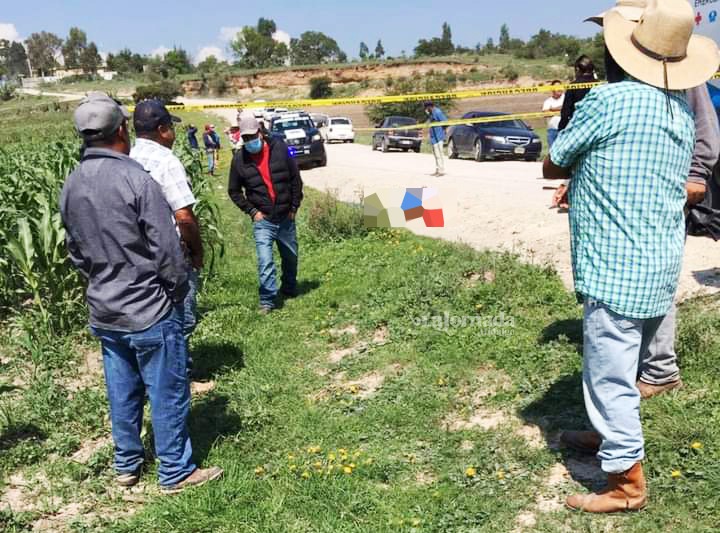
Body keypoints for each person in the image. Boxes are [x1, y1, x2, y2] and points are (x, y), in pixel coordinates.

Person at [543, 0, 718, 513]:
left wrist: (574, 169)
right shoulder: (679, 111)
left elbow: (555, 160)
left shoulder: (608, 102)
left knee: (609, 375)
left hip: (615, 266)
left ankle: (626, 483)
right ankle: (608, 436)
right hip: (658, 264)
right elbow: (635, 175)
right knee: (625, 364)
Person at [59, 92, 222, 494]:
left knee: (122, 390)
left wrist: (99, 282)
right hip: (149, 308)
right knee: (167, 390)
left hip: (105, 309)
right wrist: (175, 290)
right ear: (122, 130)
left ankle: (127, 465)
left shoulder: (72, 183)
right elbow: (166, 248)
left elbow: (75, 249)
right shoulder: (135, 178)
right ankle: (175, 471)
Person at [130, 99, 204, 342]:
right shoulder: (166, 161)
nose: (173, 134)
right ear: (162, 130)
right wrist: (196, 252)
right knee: (182, 319)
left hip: (135, 257)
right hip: (169, 255)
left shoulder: (126, 157)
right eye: (171, 127)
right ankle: (179, 373)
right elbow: (183, 218)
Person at [228, 112, 303, 313]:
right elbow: (234, 191)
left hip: (286, 215)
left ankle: (289, 287)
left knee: (291, 256)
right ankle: (267, 301)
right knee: (265, 260)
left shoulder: (280, 147)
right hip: (264, 219)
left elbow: (295, 178)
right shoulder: (239, 160)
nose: (249, 141)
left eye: (252, 136)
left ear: (260, 132)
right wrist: (252, 211)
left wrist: (294, 207)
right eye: (245, 138)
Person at [558, 55, 597, 131]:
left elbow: (566, 110)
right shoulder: (600, 84)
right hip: (597, 126)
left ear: (577, 69)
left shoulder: (574, 86)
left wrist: (561, 127)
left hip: (578, 127)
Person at [424, 101, 447, 177]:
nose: (426, 109)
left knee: (440, 154)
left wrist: (442, 131)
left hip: (439, 136)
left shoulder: (438, 112)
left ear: (429, 106)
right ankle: (437, 170)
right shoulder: (431, 113)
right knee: (436, 154)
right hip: (434, 137)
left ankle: (441, 170)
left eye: (426, 107)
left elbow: (445, 122)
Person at [542, 81, 565, 148]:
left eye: (560, 87)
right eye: (557, 87)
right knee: (552, 153)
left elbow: (565, 107)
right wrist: (560, 109)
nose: (559, 89)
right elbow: (545, 113)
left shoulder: (566, 98)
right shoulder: (548, 101)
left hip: (564, 130)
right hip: (552, 131)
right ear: (552, 89)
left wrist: (552, 109)